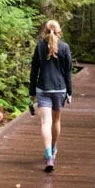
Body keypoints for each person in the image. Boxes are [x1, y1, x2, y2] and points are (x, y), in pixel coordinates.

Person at [28, 19, 72, 172]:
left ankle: (48, 156)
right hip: (59, 89)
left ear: (45, 32)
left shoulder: (40, 47)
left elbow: (34, 70)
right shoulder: (65, 47)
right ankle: (53, 149)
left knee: (45, 122)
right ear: (59, 31)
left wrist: (32, 92)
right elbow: (68, 72)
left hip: (43, 88)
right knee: (56, 120)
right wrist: (69, 92)